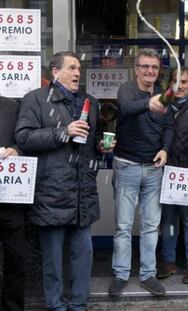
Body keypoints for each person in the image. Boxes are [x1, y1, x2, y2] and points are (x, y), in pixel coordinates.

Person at [15, 51, 113, 311]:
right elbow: (24, 138)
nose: (78, 73)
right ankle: (56, 306)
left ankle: (79, 304)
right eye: (72, 68)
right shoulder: (35, 99)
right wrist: (62, 132)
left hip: (83, 192)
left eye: (79, 68)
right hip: (51, 192)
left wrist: (102, 148)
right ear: (56, 72)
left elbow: (89, 144)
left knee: (83, 256)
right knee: (52, 261)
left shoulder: (89, 102)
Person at [108, 48, 174, 297]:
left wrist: (166, 149)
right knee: (123, 226)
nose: (150, 71)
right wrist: (149, 103)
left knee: (151, 225)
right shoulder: (127, 89)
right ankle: (121, 275)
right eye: (145, 66)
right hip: (126, 166)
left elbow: (169, 126)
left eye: (154, 68)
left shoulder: (163, 95)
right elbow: (125, 108)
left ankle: (148, 275)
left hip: (154, 169)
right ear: (136, 69)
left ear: (158, 71)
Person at [157, 66, 188, 284]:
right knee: (168, 220)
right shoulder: (161, 106)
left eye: (184, 82)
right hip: (166, 172)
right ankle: (168, 261)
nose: (180, 86)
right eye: (176, 81)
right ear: (170, 83)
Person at [0, 96, 25, 311]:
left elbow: (26, 138)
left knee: (16, 258)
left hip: (11, 197)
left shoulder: (12, 107)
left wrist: (17, 150)